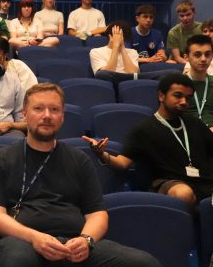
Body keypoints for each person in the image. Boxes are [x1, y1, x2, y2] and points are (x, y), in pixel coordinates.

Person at [0, 82, 164, 267]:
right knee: (15, 264)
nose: (47, 115)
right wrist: (34, 237)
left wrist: (87, 240)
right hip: (23, 246)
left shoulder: (78, 160)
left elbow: (97, 214)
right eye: (39, 109)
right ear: (24, 115)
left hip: (74, 249)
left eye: (54, 109)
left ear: (63, 116)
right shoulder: (1, 158)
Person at [86, 72, 213, 205]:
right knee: (183, 193)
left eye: (188, 98)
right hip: (169, 183)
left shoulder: (195, 124)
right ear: (161, 96)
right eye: (178, 96)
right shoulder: (145, 128)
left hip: (204, 181)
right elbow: (122, 163)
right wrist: (102, 154)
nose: (184, 102)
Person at [183, 35, 213, 128]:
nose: (203, 59)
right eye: (197, 55)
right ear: (186, 57)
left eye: (207, 54)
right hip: (187, 132)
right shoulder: (177, 84)